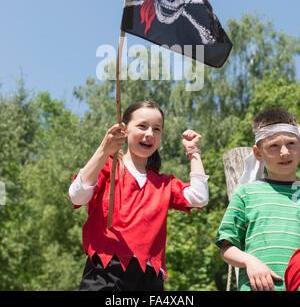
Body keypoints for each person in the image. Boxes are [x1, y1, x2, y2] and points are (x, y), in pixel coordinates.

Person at [69, 100, 209, 291]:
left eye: (157, 129)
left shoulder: (164, 183)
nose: (150, 134)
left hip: (149, 279)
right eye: (142, 126)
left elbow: (199, 197)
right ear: (124, 130)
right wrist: (103, 150)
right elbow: (77, 196)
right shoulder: (107, 167)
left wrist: (193, 151)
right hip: (106, 272)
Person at [215, 108, 300, 292]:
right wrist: (249, 261)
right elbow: (226, 248)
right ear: (258, 153)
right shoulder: (246, 194)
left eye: (291, 143)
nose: (284, 152)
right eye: (274, 146)